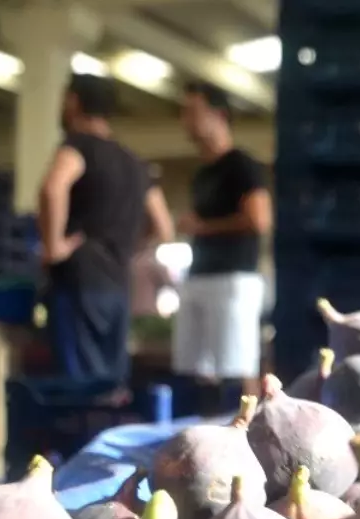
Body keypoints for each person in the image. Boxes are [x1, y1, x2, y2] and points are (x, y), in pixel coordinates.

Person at [38, 73, 174, 382]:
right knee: (110, 385)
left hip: (79, 280)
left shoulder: (78, 146)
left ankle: (80, 431)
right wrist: (128, 245)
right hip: (117, 282)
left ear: (74, 101)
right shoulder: (135, 162)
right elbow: (163, 226)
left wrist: (53, 245)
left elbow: (52, 188)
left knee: (79, 384)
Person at [173, 81, 271, 413]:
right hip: (200, 273)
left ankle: (252, 431)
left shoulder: (241, 165)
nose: (186, 120)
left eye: (194, 112)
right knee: (196, 366)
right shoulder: (202, 174)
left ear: (219, 115)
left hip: (234, 276)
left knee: (238, 362)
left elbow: (259, 219)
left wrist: (204, 226)